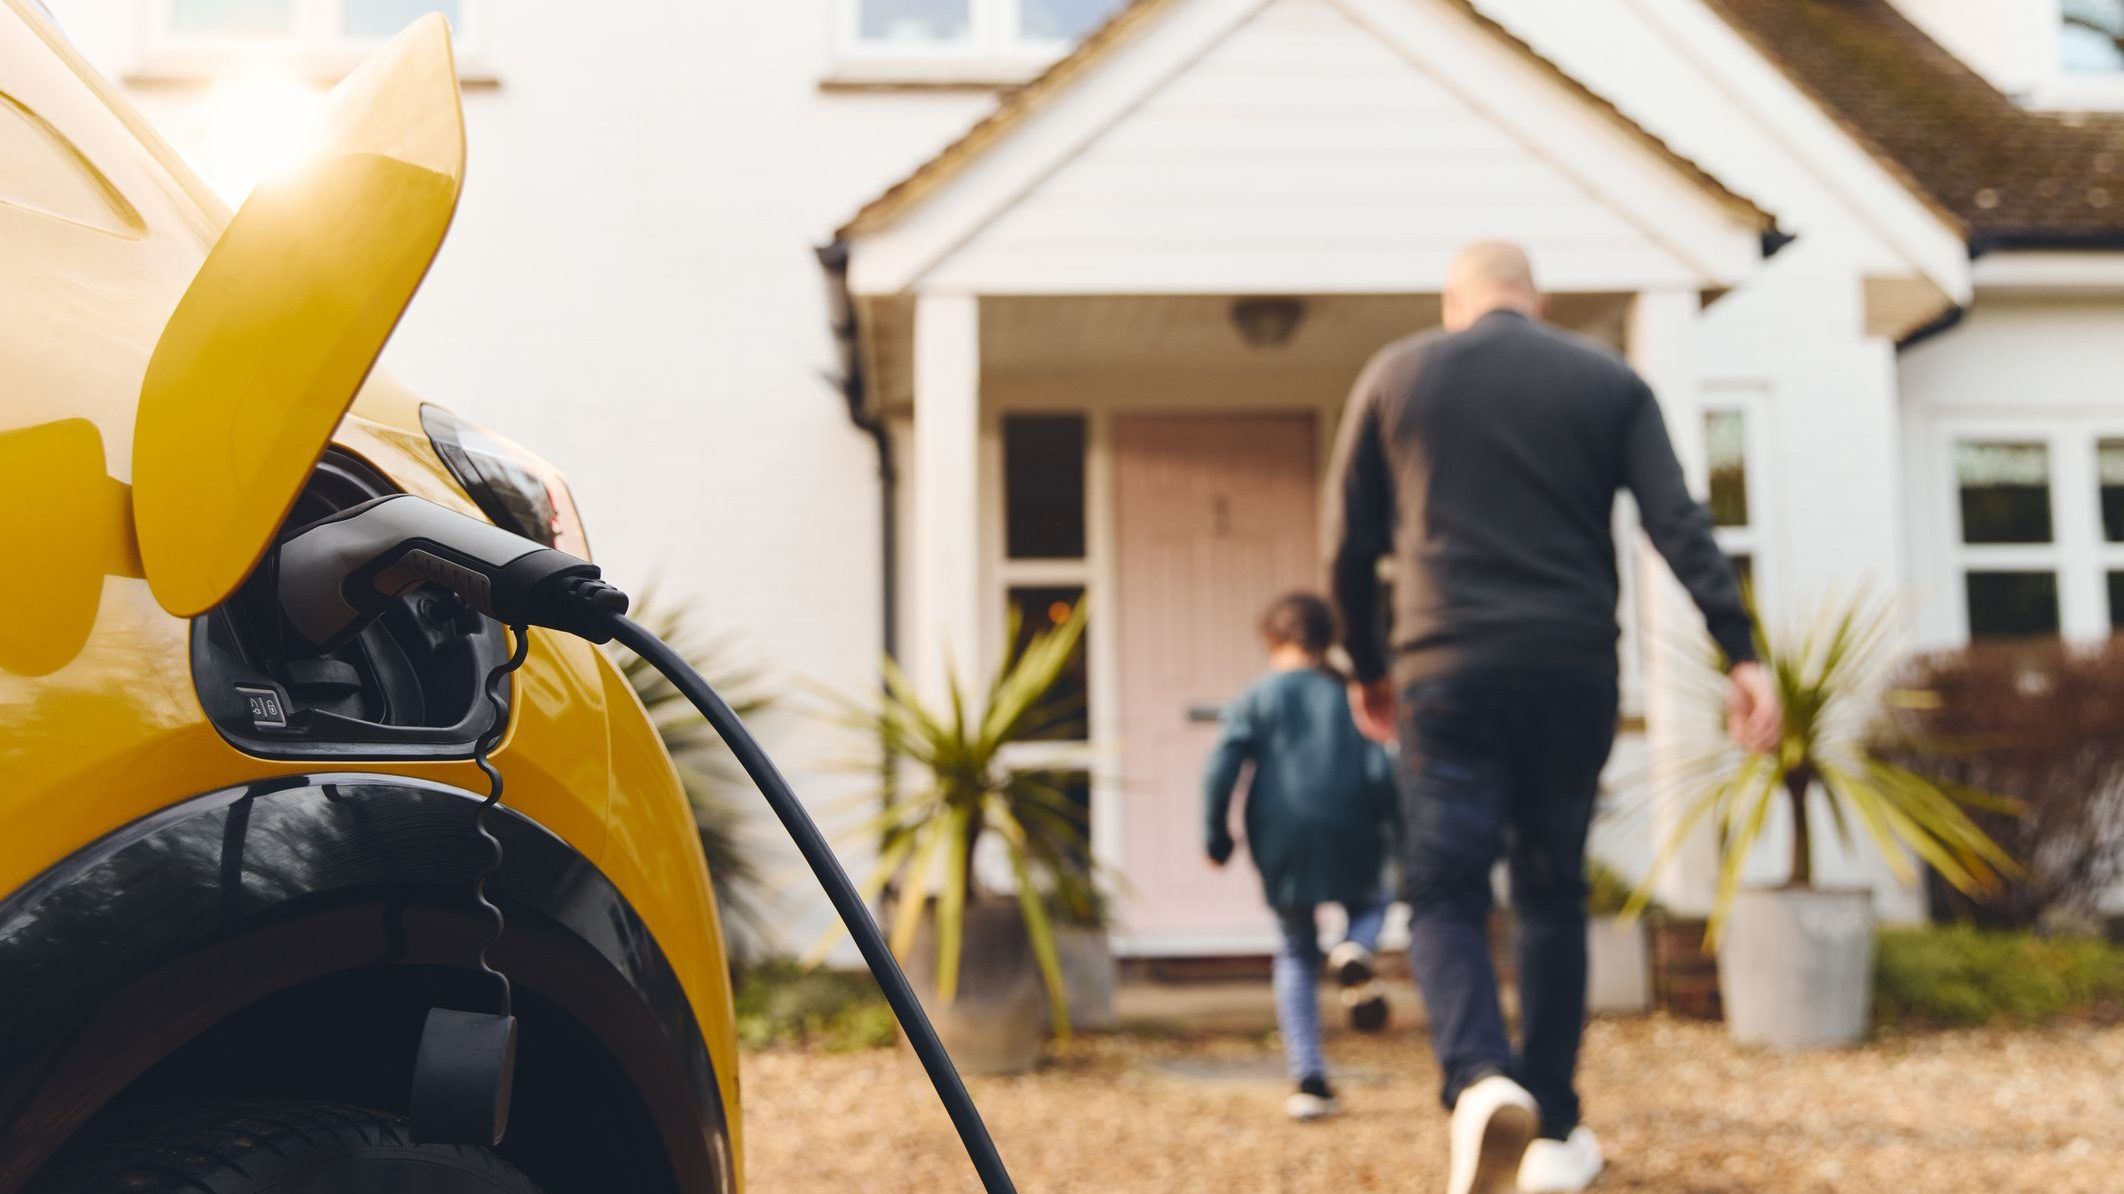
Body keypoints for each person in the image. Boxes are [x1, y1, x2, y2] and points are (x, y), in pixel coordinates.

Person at [1325, 241, 1780, 1194]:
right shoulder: (1607, 380)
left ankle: (1481, 1080)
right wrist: (1740, 649)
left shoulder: (1396, 375)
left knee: (1448, 890)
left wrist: (1368, 666)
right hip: (1572, 670)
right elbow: (1677, 521)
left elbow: (1347, 543)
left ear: (1456, 303)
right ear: (1533, 299)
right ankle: (1554, 1128)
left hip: (1443, 670)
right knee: (1550, 890)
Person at [1203, 592, 1399, 1123]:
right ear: (1326, 639)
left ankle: (1309, 1080)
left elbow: (1222, 767)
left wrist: (1216, 835)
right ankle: (1355, 947)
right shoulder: (1350, 695)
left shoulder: (1255, 697)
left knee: (1294, 948)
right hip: (1352, 825)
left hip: (1280, 833)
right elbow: (1382, 768)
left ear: (1273, 640)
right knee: (1374, 900)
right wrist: (1397, 830)